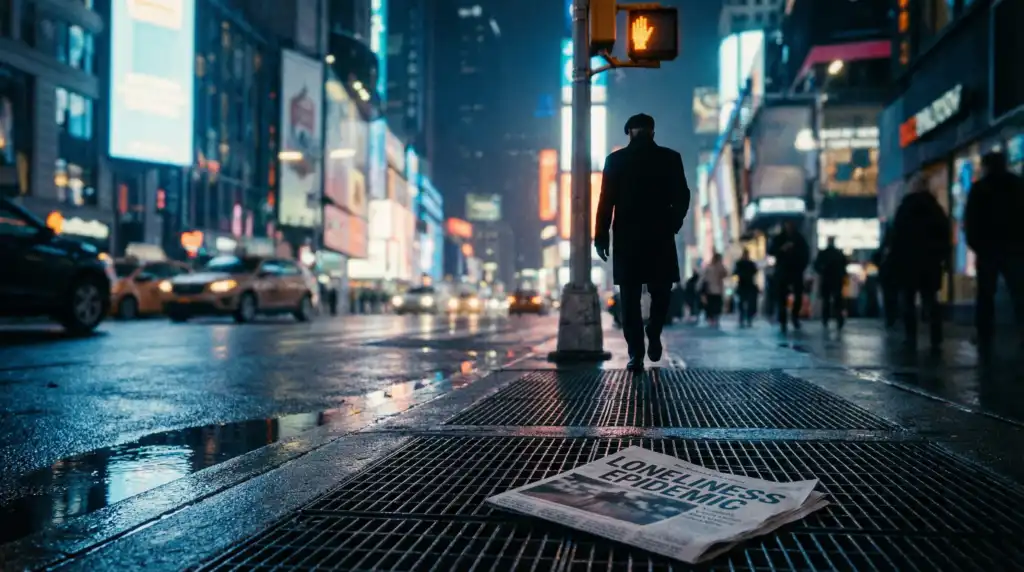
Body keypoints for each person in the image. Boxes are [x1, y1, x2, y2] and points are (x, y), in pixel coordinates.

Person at [595, 113, 691, 371]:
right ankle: (655, 329)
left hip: (627, 239)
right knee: (661, 291)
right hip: (660, 235)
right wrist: (673, 222)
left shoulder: (615, 161)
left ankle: (636, 354)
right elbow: (683, 195)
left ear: (629, 133)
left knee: (629, 297)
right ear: (653, 132)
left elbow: (606, 203)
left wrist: (601, 236)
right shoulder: (670, 158)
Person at [964, 151, 1024, 352]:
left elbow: (970, 221)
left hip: (988, 249)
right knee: (1019, 293)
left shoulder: (980, 188)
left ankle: (985, 335)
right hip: (1014, 248)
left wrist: (977, 245)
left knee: (985, 295)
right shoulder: (1017, 185)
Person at [890, 173, 950, 350]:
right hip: (930, 261)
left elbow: (896, 239)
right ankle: (936, 337)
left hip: (908, 263)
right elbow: (944, 236)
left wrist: (895, 261)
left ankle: (910, 337)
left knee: (908, 300)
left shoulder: (905, 208)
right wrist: (943, 257)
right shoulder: (935, 208)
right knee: (931, 299)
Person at [768, 220, 810, 333]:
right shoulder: (779, 238)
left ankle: (794, 316)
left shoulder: (799, 238)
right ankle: (783, 320)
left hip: (796, 270)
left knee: (798, 295)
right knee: (781, 297)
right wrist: (782, 249)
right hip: (783, 271)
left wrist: (801, 266)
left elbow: (806, 254)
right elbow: (771, 251)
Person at [814, 236, 848, 329]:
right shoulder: (838, 253)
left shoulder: (823, 254)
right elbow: (844, 266)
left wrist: (822, 271)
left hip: (826, 279)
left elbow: (816, 266)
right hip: (836, 280)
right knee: (837, 301)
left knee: (826, 301)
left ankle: (826, 319)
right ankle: (838, 319)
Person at [700, 253, 729, 327]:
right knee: (715, 306)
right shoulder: (716, 267)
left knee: (712, 306)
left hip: (712, 290)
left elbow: (704, 279)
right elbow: (726, 274)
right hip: (715, 290)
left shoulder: (710, 267)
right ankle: (714, 319)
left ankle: (712, 319)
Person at [733, 249, 758, 327]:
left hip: (746, 286)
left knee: (747, 304)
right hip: (744, 285)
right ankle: (745, 318)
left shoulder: (745, 263)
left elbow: (735, 272)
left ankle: (745, 318)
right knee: (744, 303)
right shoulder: (742, 263)